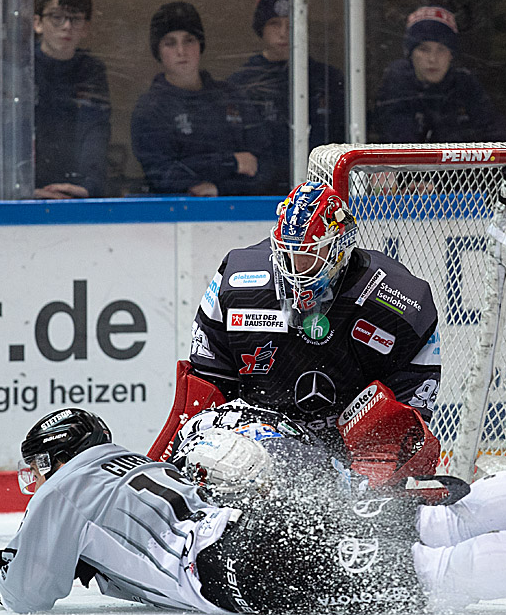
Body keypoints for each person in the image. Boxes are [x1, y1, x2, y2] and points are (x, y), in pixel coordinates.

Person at [0, 406, 506, 615]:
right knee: (432, 524)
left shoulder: (62, 491)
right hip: (258, 530)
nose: (33, 483)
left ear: (59, 460)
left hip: (236, 566)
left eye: (37, 469)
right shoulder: (138, 463)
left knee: (424, 580)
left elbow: (28, 593)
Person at [154, 180, 441, 486]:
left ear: (340, 248)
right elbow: (204, 393)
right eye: (288, 253)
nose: (295, 267)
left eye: (309, 255)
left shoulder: (400, 302)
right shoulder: (236, 281)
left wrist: (373, 478)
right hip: (257, 440)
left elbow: (406, 417)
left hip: (348, 456)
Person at [130, 1, 272, 196]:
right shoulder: (150, 108)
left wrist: (220, 189)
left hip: (241, 216)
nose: (181, 51)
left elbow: (265, 167)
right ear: (158, 51)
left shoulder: (231, 97)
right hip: (175, 219)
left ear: (200, 44)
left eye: (189, 40)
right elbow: (163, 175)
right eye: (170, 43)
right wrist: (231, 162)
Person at [227, 0, 346, 196]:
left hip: (322, 196)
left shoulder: (328, 80)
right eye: (274, 24)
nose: (283, 32)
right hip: (261, 196)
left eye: (291, 23)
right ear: (260, 28)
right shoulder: (242, 84)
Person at [372, 5, 506, 144]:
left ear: (451, 55)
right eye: (424, 49)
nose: (433, 59)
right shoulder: (395, 90)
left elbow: (497, 140)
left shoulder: (466, 87)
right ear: (410, 55)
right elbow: (399, 150)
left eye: (441, 49)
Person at [31, 0, 111, 199]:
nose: (66, 26)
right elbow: (7, 136)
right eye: (57, 17)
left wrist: (89, 187)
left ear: (86, 27)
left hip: (78, 194)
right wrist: (23, 189)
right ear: (37, 23)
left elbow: (96, 131)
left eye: (75, 19)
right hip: (31, 195)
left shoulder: (92, 72)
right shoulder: (21, 71)